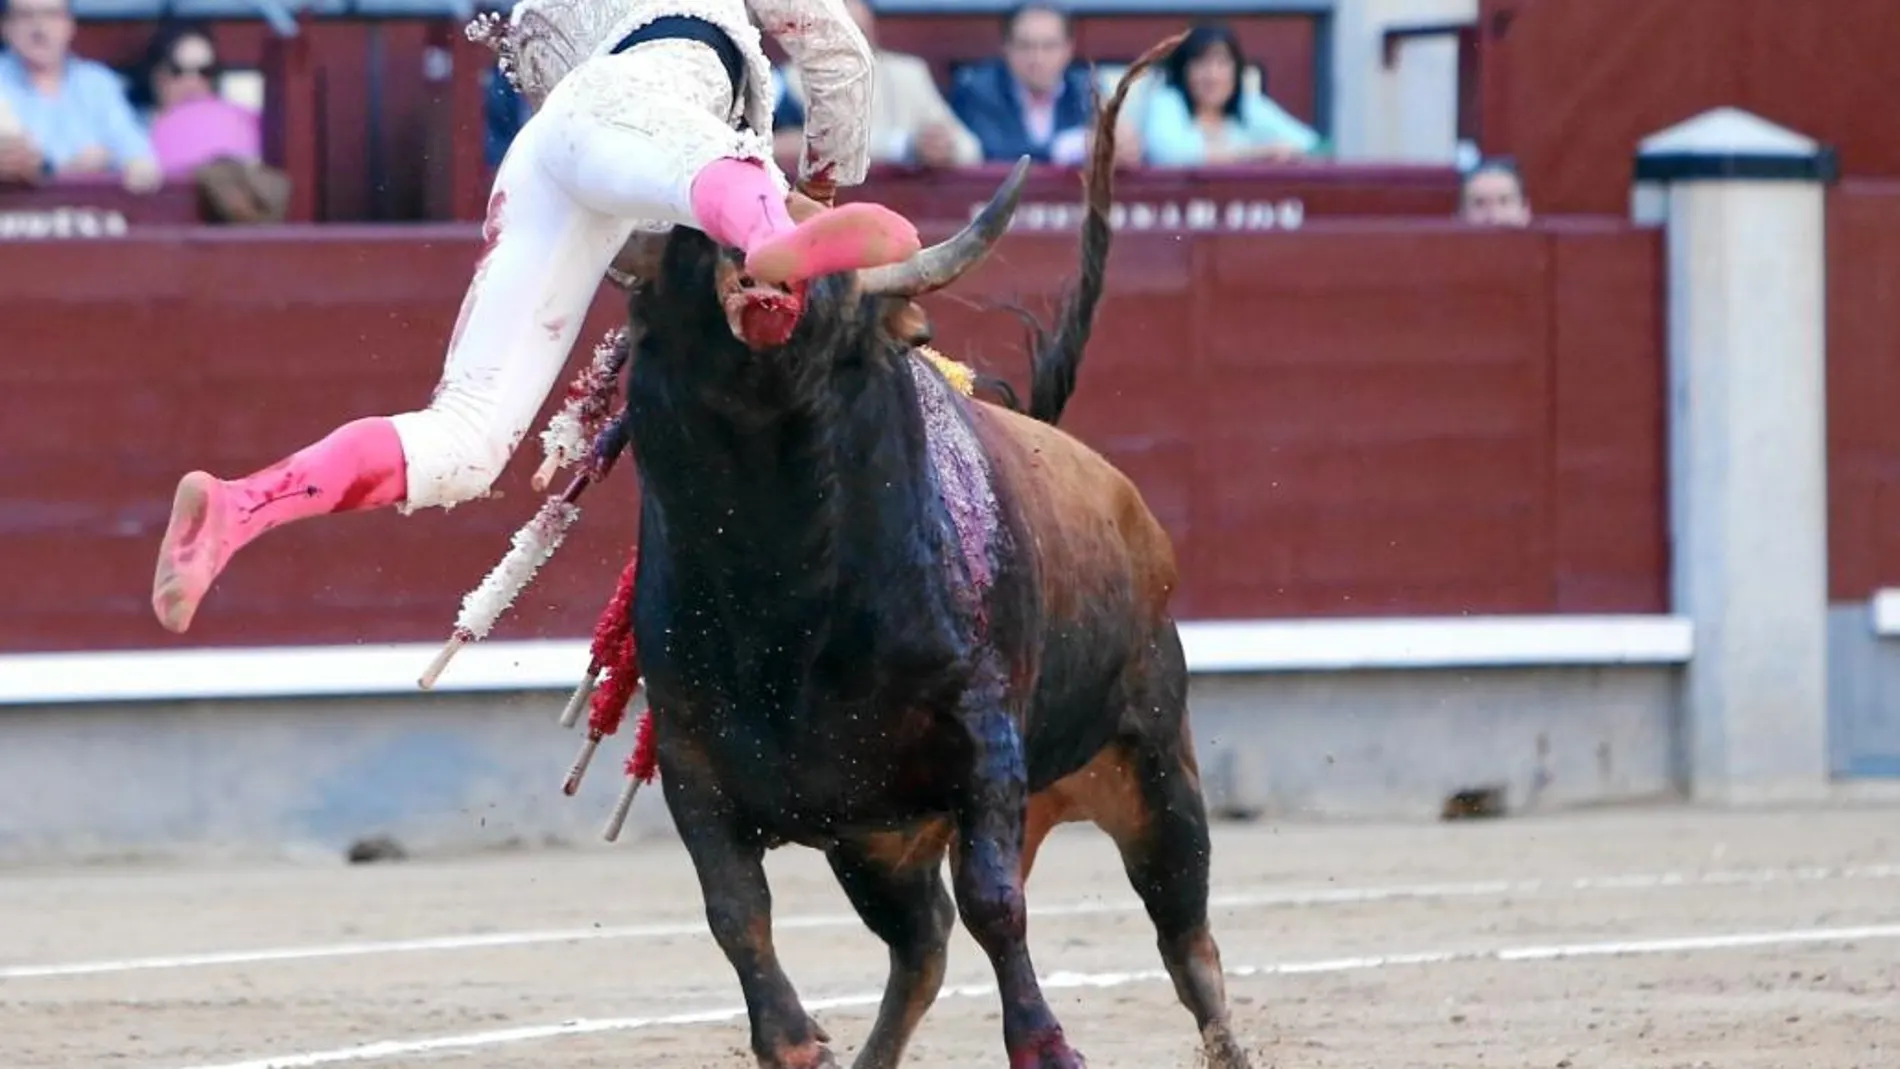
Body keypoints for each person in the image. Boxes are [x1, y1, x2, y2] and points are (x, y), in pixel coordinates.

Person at [150, 0, 921, 635]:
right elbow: (841, 54)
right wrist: (821, 187)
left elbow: (627, 225)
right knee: (733, 171)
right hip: (649, 103)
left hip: (557, 152)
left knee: (465, 441)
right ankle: (778, 240)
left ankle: (242, 504)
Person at [1138, 21, 1319, 167]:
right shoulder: (1167, 101)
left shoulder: (1249, 105)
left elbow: (1310, 145)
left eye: (1222, 63)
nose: (1212, 75)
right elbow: (1167, 153)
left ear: (1236, 70)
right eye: (1201, 63)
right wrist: (1256, 154)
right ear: (1183, 70)